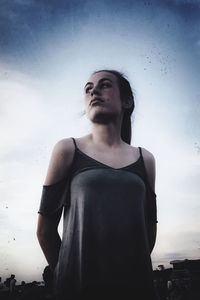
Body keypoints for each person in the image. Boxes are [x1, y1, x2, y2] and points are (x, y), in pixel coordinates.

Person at [37, 69, 158, 300]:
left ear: (126, 100)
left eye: (104, 85)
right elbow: (45, 231)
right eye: (88, 89)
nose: (94, 91)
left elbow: (148, 230)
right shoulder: (67, 149)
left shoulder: (146, 159)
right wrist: (67, 278)